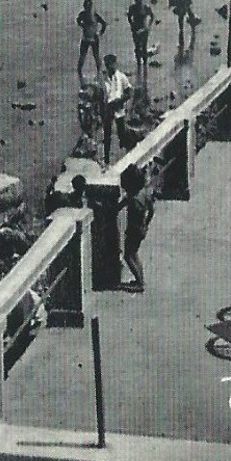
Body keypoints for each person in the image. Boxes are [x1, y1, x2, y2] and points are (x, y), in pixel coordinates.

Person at [119, 165, 154, 293]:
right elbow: (151, 211)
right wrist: (146, 223)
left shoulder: (131, 199)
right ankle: (140, 279)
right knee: (134, 254)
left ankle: (139, 283)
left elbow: (118, 207)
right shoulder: (144, 194)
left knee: (128, 256)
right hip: (141, 228)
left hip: (133, 230)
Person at [100, 54, 134, 165]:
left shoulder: (121, 77)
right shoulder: (102, 79)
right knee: (107, 134)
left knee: (121, 132)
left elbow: (129, 92)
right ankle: (107, 160)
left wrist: (121, 100)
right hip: (108, 108)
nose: (112, 67)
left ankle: (127, 154)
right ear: (107, 66)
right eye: (109, 65)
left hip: (118, 107)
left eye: (113, 64)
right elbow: (100, 96)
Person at [76, 0, 106, 81]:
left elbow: (104, 23)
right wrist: (82, 26)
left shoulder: (94, 15)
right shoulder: (83, 14)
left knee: (96, 55)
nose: (87, 8)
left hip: (93, 38)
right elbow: (78, 20)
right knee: (83, 55)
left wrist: (100, 33)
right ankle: (79, 72)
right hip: (86, 38)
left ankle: (99, 72)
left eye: (89, 6)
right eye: (86, 6)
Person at [126, 0, 155, 73]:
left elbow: (152, 16)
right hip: (135, 28)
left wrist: (148, 26)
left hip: (144, 28)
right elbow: (129, 17)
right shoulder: (132, 7)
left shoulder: (146, 7)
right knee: (137, 46)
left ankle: (145, 65)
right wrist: (132, 25)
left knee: (144, 47)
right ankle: (139, 64)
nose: (137, 0)